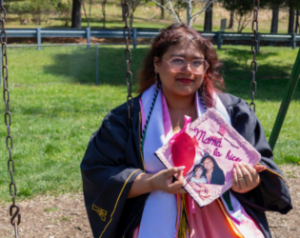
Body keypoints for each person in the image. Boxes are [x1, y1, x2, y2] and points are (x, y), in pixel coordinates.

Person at [80, 23, 292, 238]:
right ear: (156, 64)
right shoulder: (127, 119)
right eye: (177, 60)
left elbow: (261, 165)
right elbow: (99, 173)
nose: (187, 70)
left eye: (196, 62)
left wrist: (249, 181)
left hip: (223, 220)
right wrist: (152, 182)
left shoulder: (232, 112)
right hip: (152, 221)